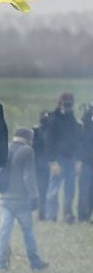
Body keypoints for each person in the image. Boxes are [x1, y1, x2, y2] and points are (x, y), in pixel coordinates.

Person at [0, 127, 48, 272]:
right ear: (28, 138)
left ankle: (0, 264)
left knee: (4, 232)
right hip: (21, 200)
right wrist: (35, 197)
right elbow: (28, 176)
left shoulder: (5, 148)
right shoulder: (27, 151)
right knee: (28, 233)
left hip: (4, 198)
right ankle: (35, 263)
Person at [42, 92, 81, 223]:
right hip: (57, 159)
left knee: (70, 189)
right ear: (60, 103)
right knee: (54, 189)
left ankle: (67, 214)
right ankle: (51, 216)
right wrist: (52, 162)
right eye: (66, 103)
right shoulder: (52, 118)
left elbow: (77, 141)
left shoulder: (73, 119)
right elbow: (49, 142)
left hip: (71, 158)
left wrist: (78, 160)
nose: (69, 106)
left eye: (71, 103)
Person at [79, 102, 93, 223]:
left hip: (87, 160)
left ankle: (86, 215)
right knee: (85, 189)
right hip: (87, 161)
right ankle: (84, 215)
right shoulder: (86, 122)